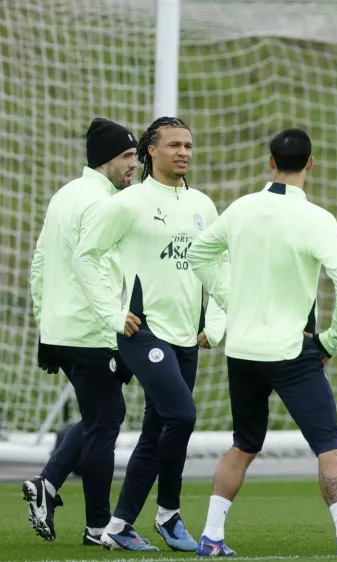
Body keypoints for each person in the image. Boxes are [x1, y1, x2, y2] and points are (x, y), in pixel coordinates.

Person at [185, 128, 337, 559]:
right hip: (292, 351)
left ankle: (210, 536)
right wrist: (332, 339)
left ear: (269, 162)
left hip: (242, 351)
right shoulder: (316, 218)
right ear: (311, 164)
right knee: (329, 444)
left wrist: (231, 299)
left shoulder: (241, 208)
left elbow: (199, 255)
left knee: (244, 442)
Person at [72, 116, 227, 552]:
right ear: (150, 151)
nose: (184, 152)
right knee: (182, 415)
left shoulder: (203, 205)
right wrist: (113, 313)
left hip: (186, 336)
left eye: (189, 146)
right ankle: (168, 513)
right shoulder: (129, 202)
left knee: (157, 430)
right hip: (143, 332)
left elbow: (220, 266)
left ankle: (119, 527)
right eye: (174, 144)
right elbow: (86, 257)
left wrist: (215, 323)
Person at [23, 118, 137, 546]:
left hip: (61, 328)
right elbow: (94, 273)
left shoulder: (65, 195)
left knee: (96, 417)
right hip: (92, 331)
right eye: (127, 157)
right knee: (106, 422)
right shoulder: (104, 204)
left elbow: (39, 262)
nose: (134, 165)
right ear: (106, 159)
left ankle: (48, 484)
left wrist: (44, 322)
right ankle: (96, 527)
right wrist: (115, 326)